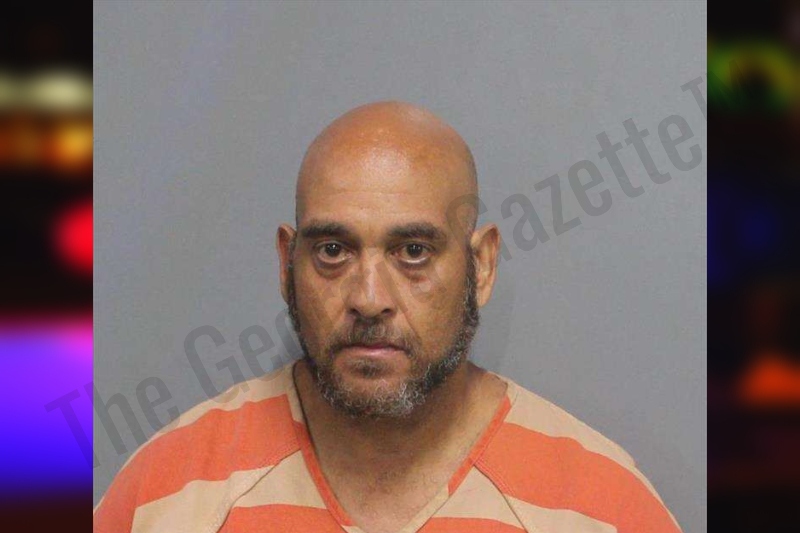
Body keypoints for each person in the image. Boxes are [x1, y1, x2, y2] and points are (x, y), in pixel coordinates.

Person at [94, 102, 682, 533]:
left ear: (480, 266)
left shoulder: (600, 508)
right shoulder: (166, 496)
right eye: (333, 250)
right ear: (287, 263)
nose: (369, 297)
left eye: (413, 252)